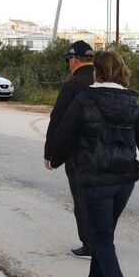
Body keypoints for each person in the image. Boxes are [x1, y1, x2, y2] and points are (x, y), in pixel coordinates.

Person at [48, 50, 139, 277]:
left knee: (101, 237)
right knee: (105, 233)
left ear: (96, 72)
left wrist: (55, 159)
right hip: (124, 181)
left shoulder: (84, 100)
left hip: (94, 178)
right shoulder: (132, 103)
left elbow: (65, 134)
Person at [44, 40, 96, 259]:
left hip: (78, 154)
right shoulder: (104, 81)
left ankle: (89, 246)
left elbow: (57, 119)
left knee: (82, 201)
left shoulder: (72, 86)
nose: (68, 64)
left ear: (74, 60)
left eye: (69, 61)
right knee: (98, 200)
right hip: (105, 152)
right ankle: (102, 241)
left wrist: (50, 153)